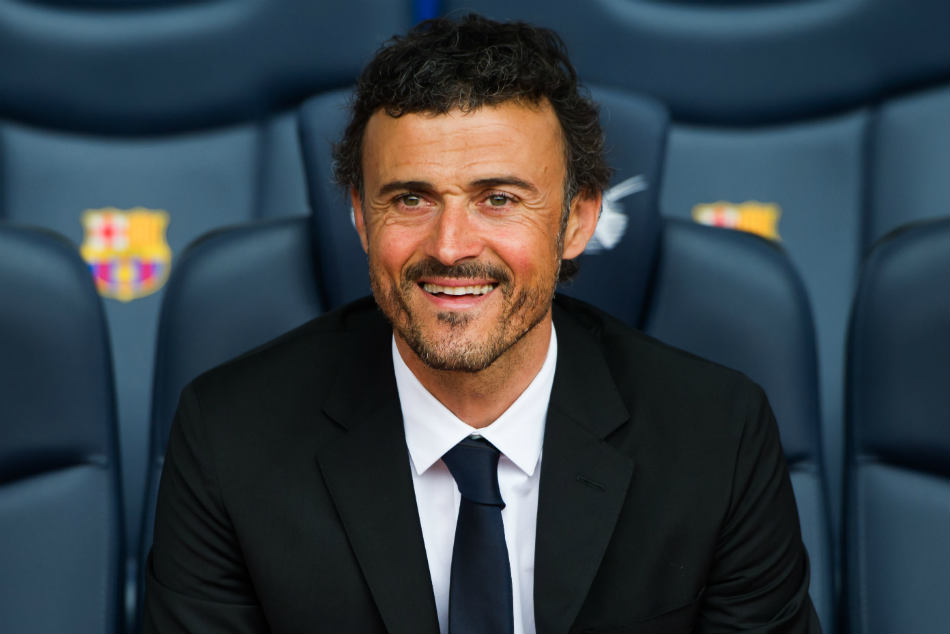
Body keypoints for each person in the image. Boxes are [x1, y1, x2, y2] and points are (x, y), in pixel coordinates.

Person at [143, 14, 820, 634]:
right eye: (410, 200)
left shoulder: (717, 436)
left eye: (498, 198)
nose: (450, 246)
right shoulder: (230, 437)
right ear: (360, 217)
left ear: (578, 220)